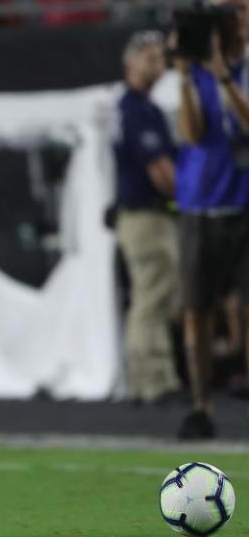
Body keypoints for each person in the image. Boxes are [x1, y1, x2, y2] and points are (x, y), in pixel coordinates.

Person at [175, 1, 249, 439]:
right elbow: (192, 133)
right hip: (199, 205)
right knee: (196, 310)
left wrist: (223, 73)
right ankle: (201, 404)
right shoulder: (188, 75)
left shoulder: (239, 72)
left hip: (243, 203)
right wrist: (187, 73)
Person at [112, 30, 181, 404]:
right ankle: (154, 382)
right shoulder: (138, 108)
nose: (158, 61)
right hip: (146, 216)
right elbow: (161, 171)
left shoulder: (134, 106)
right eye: (149, 56)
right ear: (130, 63)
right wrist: (187, 199)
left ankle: (146, 379)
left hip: (138, 216)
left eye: (160, 56)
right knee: (152, 298)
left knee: (148, 297)